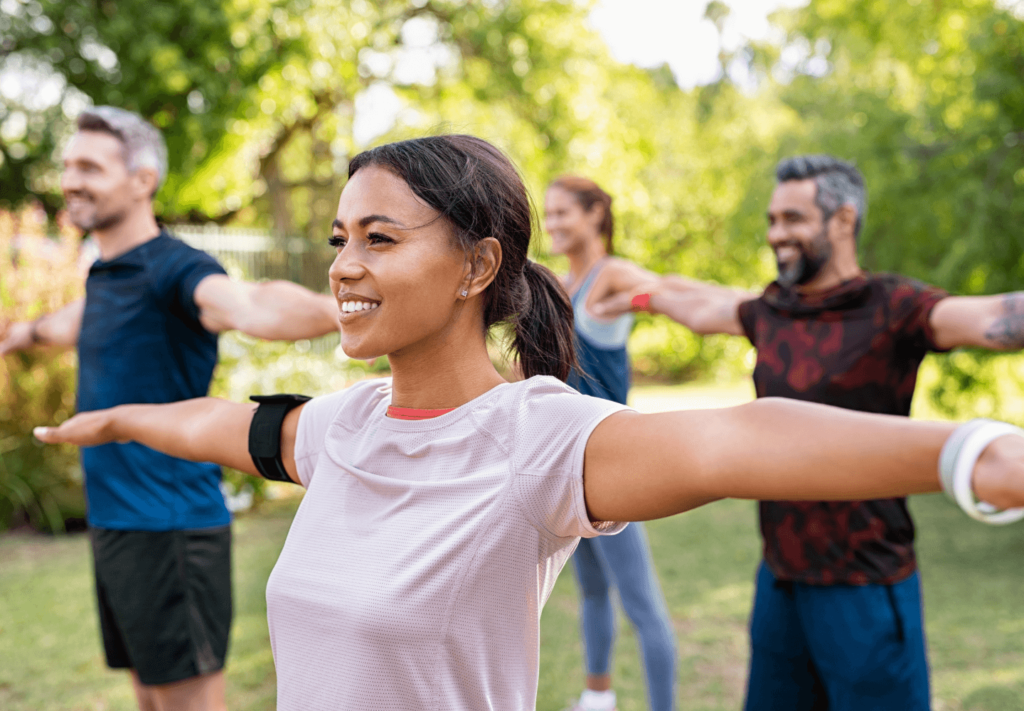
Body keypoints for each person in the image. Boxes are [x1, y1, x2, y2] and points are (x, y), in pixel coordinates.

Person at [32, 137, 1024, 711]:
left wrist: (968, 453)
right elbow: (228, 424)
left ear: (476, 267)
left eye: (380, 238)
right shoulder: (344, 427)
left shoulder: (533, 440)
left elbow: (740, 439)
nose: (342, 265)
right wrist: (122, 416)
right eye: (340, 238)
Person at [592, 154, 1024, 710]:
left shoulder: (894, 307)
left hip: (865, 585)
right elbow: (699, 304)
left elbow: (997, 318)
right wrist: (634, 297)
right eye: (773, 220)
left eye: (793, 219)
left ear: (843, 221)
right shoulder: (772, 309)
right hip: (781, 581)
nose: (777, 234)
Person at [0, 106, 340, 711]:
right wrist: (21, 333)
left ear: (142, 179)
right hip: (119, 525)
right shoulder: (107, 273)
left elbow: (250, 305)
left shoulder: (175, 268)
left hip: (171, 528)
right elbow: (74, 323)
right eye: (68, 164)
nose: (71, 178)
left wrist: (345, 310)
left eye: (89, 166)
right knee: (150, 699)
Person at [545, 176, 675, 711]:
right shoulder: (560, 283)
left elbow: (667, 291)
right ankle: (597, 697)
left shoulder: (611, 275)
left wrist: (643, 299)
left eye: (562, 214)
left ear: (596, 213)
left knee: (641, 604)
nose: (552, 224)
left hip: (615, 463)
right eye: (548, 214)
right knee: (593, 592)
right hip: (570, 465)